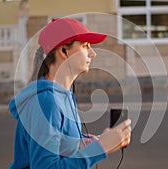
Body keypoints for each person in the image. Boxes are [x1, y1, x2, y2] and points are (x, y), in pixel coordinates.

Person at [9, 18, 131, 169]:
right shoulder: (46, 101)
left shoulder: (63, 95)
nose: (92, 53)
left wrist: (83, 142)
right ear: (64, 51)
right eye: (85, 46)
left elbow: (59, 144)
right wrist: (100, 149)